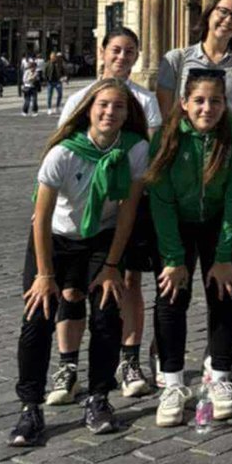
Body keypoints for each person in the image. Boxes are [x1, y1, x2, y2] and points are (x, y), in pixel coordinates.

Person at [9, 79, 150, 446]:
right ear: (88, 109)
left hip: (102, 238)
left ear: (128, 114)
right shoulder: (63, 152)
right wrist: (44, 274)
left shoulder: (136, 149)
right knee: (37, 317)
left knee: (106, 313)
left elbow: (128, 211)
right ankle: (30, 407)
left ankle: (99, 397)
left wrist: (112, 265)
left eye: (118, 106)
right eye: (103, 105)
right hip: (55, 239)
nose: (110, 112)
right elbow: (41, 217)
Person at [48, 28, 164, 407]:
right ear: (102, 52)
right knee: (72, 288)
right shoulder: (80, 98)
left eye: (130, 51)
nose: (122, 57)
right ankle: (67, 367)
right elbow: (63, 147)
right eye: (116, 50)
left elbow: (149, 153)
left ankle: (128, 361)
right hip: (81, 209)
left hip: (129, 205)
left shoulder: (145, 100)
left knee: (129, 282)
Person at [146, 69, 232, 426]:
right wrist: (173, 258)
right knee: (171, 294)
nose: (208, 108)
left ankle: (220, 375)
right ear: (184, 103)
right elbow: (161, 201)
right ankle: (173, 382)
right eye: (200, 101)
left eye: (216, 101)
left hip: (218, 219)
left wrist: (224, 257)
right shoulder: (166, 137)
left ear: (226, 104)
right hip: (175, 220)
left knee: (224, 291)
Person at [156, 0, 232, 119]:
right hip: (186, 131)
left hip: (228, 132)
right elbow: (165, 114)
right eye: (223, 11)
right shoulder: (176, 59)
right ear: (209, 14)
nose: (228, 19)